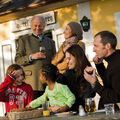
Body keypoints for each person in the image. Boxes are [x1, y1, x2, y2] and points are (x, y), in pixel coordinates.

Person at [15, 15, 56, 99]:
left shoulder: (51, 42)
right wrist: (31, 57)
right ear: (31, 26)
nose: (37, 28)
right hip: (32, 84)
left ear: (44, 26)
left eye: (40, 25)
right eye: (35, 26)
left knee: (49, 110)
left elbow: (54, 61)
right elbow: (17, 60)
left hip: (48, 83)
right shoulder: (23, 41)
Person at [84, 31, 120, 110]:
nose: (93, 49)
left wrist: (94, 84)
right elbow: (109, 82)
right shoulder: (114, 59)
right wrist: (99, 65)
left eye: (96, 46)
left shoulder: (117, 64)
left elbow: (116, 97)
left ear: (107, 46)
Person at [57, 44, 95, 112]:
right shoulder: (67, 74)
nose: (67, 61)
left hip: (84, 113)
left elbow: (88, 98)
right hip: (69, 113)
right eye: (66, 59)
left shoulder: (88, 73)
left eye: (69, 58)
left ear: (77, 57)